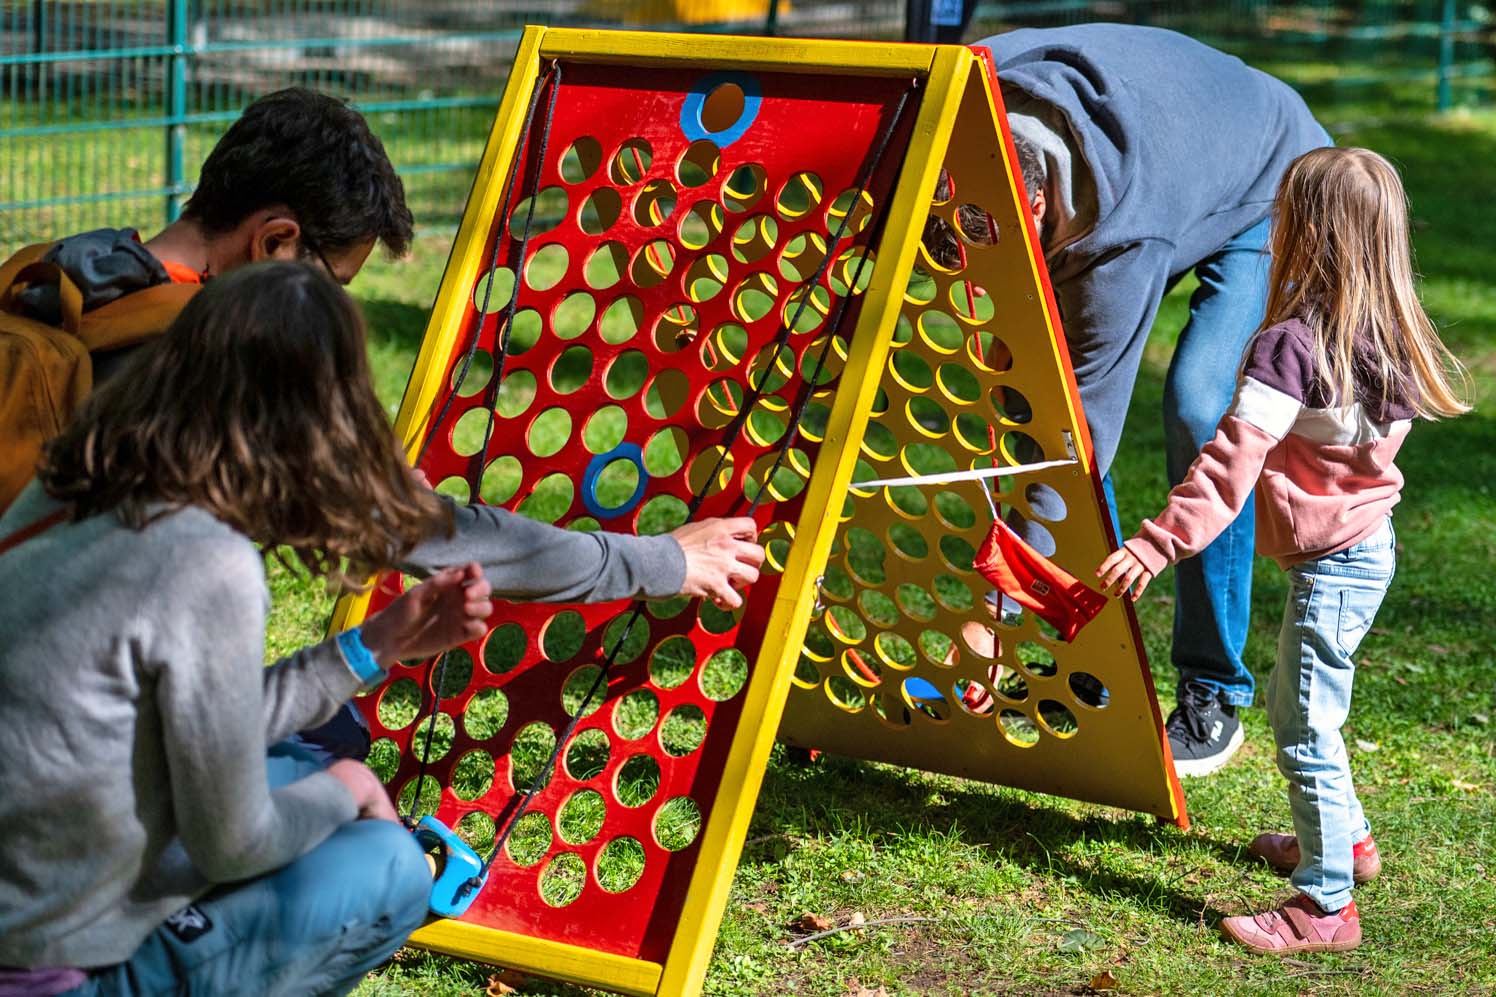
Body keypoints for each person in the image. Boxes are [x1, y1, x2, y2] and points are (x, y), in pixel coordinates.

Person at [12, 85, 766, 759]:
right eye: (335, 285)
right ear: (276, 242)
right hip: (67, 744)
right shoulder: (217, 371)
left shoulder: (56, 275)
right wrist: (661, 560)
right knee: (338, 746)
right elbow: (448, 539)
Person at [0, 262, 499, 994]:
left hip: (41, 882)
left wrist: (379, 643)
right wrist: (350, 788)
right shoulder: (208, 561)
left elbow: (209, 730)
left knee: (299, 767)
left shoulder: (76, 486)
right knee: (387, 865)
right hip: (42, 970)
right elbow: (232, 841)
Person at [1096, 147, 1470, 953]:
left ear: (1306, 232)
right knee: (1312, 712)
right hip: (1367, 547)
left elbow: (1232, 459)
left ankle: (1325, 906)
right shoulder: (1392, 334)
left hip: (1336, 564)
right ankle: (1348, 843)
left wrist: (1161, 542)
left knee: (1302, 724)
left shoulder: (1293, 346)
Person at [969, 24, 1334, 775]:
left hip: (1272, 179)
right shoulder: (972, 104)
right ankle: (1089, 664)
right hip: (1184, 150)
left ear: (1037, 206)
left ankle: (1211, 688)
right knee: (1028, 392)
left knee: (1201, 406)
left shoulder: (1118, 239)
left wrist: (994, 616)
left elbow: (1075, 445)